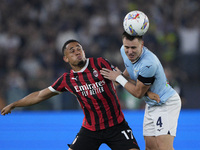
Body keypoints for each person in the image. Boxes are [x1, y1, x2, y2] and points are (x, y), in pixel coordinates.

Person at [1, 39, 160, 150]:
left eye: (79, 48)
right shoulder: (67, 80)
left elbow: (121, 78)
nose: (77, 51)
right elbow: (40, 95)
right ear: (66, 58)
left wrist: (148, 93)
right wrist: (15, 104)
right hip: (90, 130)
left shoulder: (100, 63)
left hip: (117, 126)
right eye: (72, 50)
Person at [100, 32, 182, 150]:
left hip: (165, 102)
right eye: (127, 47)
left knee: (164, 147)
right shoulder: (123, 50)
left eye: (133, 48)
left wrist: (118, 78)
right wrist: (121, 76)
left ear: (142, 45)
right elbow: (130, 68)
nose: (129, 51)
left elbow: (138, 93)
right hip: (151, 103)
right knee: (150, 147)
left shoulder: (149, 64)